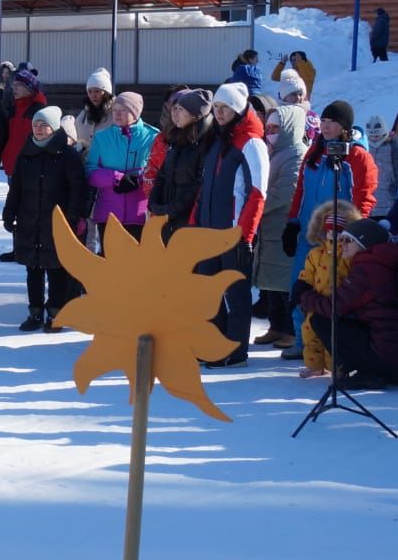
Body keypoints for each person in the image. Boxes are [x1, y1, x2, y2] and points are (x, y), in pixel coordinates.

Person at [279, 99, 378, 360]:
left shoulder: (356, 157)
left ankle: (332, 350)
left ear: (344, 126)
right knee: (300, 289)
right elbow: (300, 192)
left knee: (332, 293)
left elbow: (364, 197)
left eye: (332, 121)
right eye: (323, 120)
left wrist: (355, 232)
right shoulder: (313, 153)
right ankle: (304, 343)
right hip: (308, 234)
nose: (326, 126)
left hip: (338, 239)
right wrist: (292, 223)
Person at [192, 82, 268, 368]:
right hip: (210, 230)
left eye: (224, 108)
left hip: (235, 232)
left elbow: (258, 192)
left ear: (237, 108)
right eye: (216, 108)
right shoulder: (218, 140)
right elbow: (205, 187)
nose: (219, 113)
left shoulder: (251, 142)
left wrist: (245, 235)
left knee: (235, 294)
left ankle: (235, 351)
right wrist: (195, 224)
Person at [3, 107, 88, 332]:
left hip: (56, 222)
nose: (39, 130)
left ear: (54, 127)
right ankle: (35, 312)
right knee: (33, 268)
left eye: (44, 125)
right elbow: (17, 188)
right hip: (30, 219)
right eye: (36, 126)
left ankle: (55, 313)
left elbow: (78, 188)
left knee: (55, 268)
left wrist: (72, 216)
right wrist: (9, 212)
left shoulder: (67, 154)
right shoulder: (27, 152)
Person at [298, 218, 398, 388]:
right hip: (392, 350)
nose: (342, 244)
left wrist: (306, 297)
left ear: (364, 243)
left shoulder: (368, 269)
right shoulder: (382, 262)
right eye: (341, 239)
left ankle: (367, 373)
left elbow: (333, 307)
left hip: (386, 357)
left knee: (322, 320)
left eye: (348, 240)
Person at [252, 101, 310, 350]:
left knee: (284, 279)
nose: (270, 131)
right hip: (268, 226)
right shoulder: (273, 152)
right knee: (270, 281)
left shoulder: (298, 153)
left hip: (283, 224)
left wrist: (258, 207)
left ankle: (289, 329)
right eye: (269, 126)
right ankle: (276, 325)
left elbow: (287, 191)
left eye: (276, 127)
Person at [291, 199, 363, 377]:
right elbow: (307, 274)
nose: (334, 235)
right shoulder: (316, 253)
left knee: (334, 337)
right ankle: (315, 365)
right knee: (310, 333)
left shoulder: (348, 254)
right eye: (330, 230)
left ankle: (337, 367)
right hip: (316, 302)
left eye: (339, 232)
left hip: (339, 304)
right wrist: (299, 290)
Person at [84, 91, 156, 244]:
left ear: (135, 112)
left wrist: (138, 179)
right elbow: (90, 171)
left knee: (136, 264)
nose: (117, 114)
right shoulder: (101, 137)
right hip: (108, 213)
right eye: (114, 110)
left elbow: (158, 172)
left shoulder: (153, 137)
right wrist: (116, 178)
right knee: (109, 263)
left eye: (123, 110)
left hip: (139, 214)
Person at [149, 89, 213, 240]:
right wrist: (154, 203)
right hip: (169, 219)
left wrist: (171, 209)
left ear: (195, 115)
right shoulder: (177, 137)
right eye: (174, 108)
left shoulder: (206, 143)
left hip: (188, 220)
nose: (174, 113)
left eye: (181, 109)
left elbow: (197, 184)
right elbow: (163, 174)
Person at [0, 67, 46, 177]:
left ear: (29, 88)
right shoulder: (13, 108)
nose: (14, 88)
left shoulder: (39, 111)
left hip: (32, 170)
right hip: (12, 167)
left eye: (18, 85)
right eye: (13, 85)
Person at [73, 68, 115, 154]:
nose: (93, 95)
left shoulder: (115, 114)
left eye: (97, 91)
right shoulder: (83, 115)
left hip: (108, 164)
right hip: (86, 163)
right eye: (90, 91)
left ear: (106, 92)